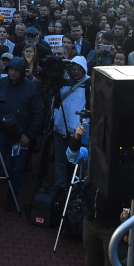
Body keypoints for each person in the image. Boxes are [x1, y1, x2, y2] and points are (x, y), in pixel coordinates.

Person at [64, 123, 126, 266]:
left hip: (113, 225)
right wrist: (76, 138)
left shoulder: (124, 159)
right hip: (91, 220)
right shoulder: (93, 152)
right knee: (92, 264)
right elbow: (72, 157)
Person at [0, 57, 44, 212]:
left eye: (15, 70)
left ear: (22, 72)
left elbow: (38, 114)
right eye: (10, 69)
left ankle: (12, 197)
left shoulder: (31, 88)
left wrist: (28, 135)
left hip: (20, 136)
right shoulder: (0, 83)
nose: (12, 72)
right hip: (0, 132)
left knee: (16, 169)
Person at [53, 56, 90, 190]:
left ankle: (76, 190)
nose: (75, 72)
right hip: (60, 129)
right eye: (73, 69)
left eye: (79, 69)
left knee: (78, 161)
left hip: (77, 132)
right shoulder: (63, 82)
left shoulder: (89, 83)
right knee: (60, 161)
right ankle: (60, 189)